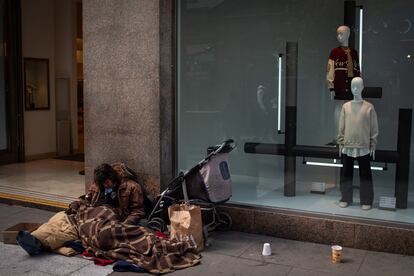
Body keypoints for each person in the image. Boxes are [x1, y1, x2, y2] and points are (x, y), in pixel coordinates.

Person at [16, 163, 146, 256]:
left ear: (113, 177)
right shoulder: (98, 183)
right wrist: (78, 204)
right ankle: (34, 238)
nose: (105, 186)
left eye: (107, 183)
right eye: (103, 184)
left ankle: (38, 243)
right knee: (62, 218)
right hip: (90, 212)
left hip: (108, 216)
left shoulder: (131, 186)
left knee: (74, 230)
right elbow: (88, 199)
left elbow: (138, 211)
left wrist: (125, 224)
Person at [336, 77, 378, 210]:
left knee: (365, 174)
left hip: (364, 146)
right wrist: (340, 142)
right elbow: (341, 126)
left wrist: (373, 143)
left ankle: (366, 200)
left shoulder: (369, 107)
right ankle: (345, 197)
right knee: (346, 174)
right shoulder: (346, 106)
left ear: (362, 87)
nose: (355, 88)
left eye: (358, 86)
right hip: (347, 145)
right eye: (353, 86)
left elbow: (374, 127)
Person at [326, 25, 361, 146]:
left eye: (341, 34)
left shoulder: (354, 52)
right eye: (337, 34)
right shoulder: (335, 52)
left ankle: (348, 136)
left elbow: (358, 70)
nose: (338, 37)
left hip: (353, 86)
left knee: (351, 111)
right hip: (340, 85)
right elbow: (330, 69)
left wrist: (359, 86)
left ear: (348, 35)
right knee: (339, 109)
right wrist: (331, 86)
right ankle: (337, 137)